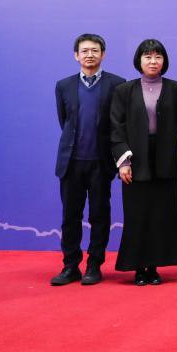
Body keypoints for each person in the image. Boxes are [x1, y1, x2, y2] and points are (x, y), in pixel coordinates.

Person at [109, 39, 177, 285]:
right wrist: (124, 161)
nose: (153, 61)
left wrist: (164, 144)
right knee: (138, 213)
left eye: (158, 57)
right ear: (139, 60)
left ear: (164, 60)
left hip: (165, 157)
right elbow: (116, 127)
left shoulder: (176, 89)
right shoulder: (124, 90)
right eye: (148, 57)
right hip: (135, 157)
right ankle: (138, 267)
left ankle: (154, 267)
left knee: (162, 214)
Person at [52, 34, 125, 286]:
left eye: (95, 50)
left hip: (101, 162)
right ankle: (70, 266)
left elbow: (118, 124)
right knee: (70, 217)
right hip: (71, 162)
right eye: (84, 51)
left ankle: (94, 265)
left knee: (99, 216)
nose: (89, 55)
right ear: (76, 55)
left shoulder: (118, 84)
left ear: (103, 54)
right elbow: (65, 120)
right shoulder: (64, 85)